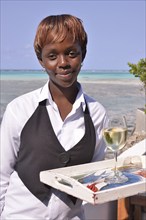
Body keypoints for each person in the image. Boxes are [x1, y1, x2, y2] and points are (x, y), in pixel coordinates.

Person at [0, 14, 108, 220]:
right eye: (52, 56)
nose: (63, 62)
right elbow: (2, 174)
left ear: (83, 55)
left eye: (71, 53)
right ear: (41, 60)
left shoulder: (97, 114)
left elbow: (95, 176)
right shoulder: (19, 110)